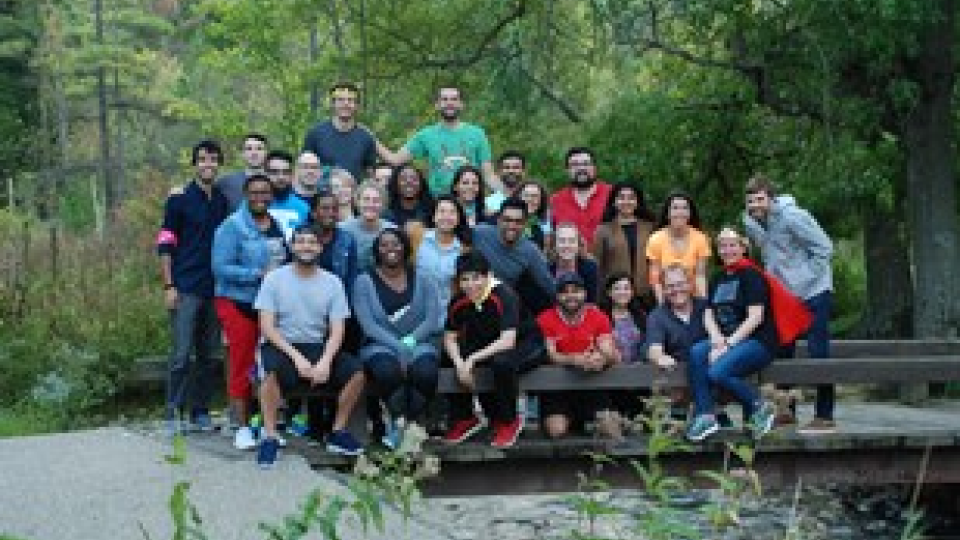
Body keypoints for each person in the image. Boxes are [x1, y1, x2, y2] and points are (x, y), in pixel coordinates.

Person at [254, 225, 367, 466]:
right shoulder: (274, 279)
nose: (306, 246)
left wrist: (325, 361)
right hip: (283, 344)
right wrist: (297, 358)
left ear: (320, 247)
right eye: (301, 241)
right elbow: (267, 327)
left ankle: (338, 431)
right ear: (292, 246)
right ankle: (271, 436)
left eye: (312, 242)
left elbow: (338, 329)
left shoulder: (332, 282)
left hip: (316, 344)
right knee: (269, 372)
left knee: (356, 372)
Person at [743, 174, 836, 433]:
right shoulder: (752, 222)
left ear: (771, 198)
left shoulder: (794, 217)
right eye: (751, 201)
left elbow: (825, 248)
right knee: (783, 349)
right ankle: (786, 409)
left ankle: (825, 414)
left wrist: (801, 281)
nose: (755, 205)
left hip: (813, 291)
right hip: (784, 296)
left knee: (818, 352)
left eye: (760, 199)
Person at [157, 139, 230, 434]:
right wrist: (168, 284)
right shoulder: (179, 200)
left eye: (213, 159)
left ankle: (200, 411)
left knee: (208, 354)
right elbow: (165, 243)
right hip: (185, 286)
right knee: (181, 353)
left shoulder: (221, 201)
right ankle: (172, 412)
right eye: (202, 159)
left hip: (214, 287)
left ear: (219, 164)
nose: (208, 164)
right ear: (194, 164)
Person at [211, 174, 288, 449]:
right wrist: (256, 273)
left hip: (268, 305)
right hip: (237, 301)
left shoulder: (275, 224)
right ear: (245, 194)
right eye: (254, 192)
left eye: (265, 192)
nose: (260, 197)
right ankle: (241, 426)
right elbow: (220, 267)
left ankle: (266, 423)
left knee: (268, 363)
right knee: (241, 362)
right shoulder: (232, 226)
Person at [442, 252, 544, 448]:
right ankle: (465, 418)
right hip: (490, 344)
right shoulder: (459, 301)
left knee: (502, 363)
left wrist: (471, 359)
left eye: (476, 278)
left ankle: (509, 421)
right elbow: (450, 337)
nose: (471, 285)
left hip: (526, 344)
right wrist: (459, 363)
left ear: (487, 275)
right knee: (446, 356)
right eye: (465, 279)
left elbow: (508, 341)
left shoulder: (504, 295)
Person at [685, 228, 777, 443]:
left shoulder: (752, 275)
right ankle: (706, 415)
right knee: (697, 352)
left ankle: (759, 406)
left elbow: (756, 317)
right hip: (726, 339)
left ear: (743, 248)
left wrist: (728, 345)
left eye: (732, 244)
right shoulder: (717, 277)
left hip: (757, 341)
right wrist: (717, 338)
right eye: (723, 246)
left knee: (718, 372)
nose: (727, 250)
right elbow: (708, 313)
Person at [353, 229, 443, 449]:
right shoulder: (364, 282)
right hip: (379, 345)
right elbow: (368, 325)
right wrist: (398, 347)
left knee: (425, 371)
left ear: (405, 247)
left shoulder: (424, 279)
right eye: (384, 245)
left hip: (419, 343)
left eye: (396, 244)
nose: (391, 249)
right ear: (377, 250)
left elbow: (431, 319)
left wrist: (409, 343)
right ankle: (397, 424)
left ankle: (414, 425)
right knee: (387, 370)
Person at [537, 272, 622, 440]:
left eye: (575, 291)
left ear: (584, 293)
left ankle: (589, 421)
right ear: (557, 296)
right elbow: (550, 354)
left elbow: (609, 350)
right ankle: (576, 421)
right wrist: (575, 359)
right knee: (556, 430)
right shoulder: (545, 318)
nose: (570, 296)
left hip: (592, 383)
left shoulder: (598, 316)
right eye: (565, 292)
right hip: (557, 387)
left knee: (611, 429)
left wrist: (601, 358)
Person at [377, 85, 499, 196]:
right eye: (444, 99)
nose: (449, 103)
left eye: (454, 99)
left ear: (461, 104)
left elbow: (489, 176)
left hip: (471, 207)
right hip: (438, 206)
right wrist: (369, 135)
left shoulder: (477, 134)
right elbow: (395, 160)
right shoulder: (425, 135)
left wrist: (507, 197)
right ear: (437, 105)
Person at [472, 197, 555, 314]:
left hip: (500, 306)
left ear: (525, 224)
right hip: (471, 299)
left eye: (518, 221)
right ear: (498, 220)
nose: (512, 226)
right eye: (507, 220)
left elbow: (548, 283)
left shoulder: (530, 251)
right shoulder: (479, 234)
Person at [593, 182, 656, 305]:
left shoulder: (650, 227)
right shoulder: (603, 229)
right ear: (614, 201)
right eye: (621, 197)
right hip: (615, 296)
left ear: (637, 201)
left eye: (631, 197)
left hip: (646, 296)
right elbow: (596, 265)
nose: (626, 201)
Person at [302, 82, 378, 182]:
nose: (346, 104)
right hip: (321, 195)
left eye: (351, 100)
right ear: (333, 104)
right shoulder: (315, 134)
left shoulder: (366, 138)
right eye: (340, 100)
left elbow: (370, 175)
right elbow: (303, 170)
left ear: (357, 106)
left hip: (353, 195)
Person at [646, 191, 711, 303]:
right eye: (675, 208)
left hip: (693, 298)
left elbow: (700, 275)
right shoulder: (655, 239)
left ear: (690, 213)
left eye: (684, 208)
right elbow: (655, 279)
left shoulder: (700, 238)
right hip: (667, 299)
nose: (680, 212)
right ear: (668, 213)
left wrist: (703, 302)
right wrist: (662, 305)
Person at [416, 196, 472, 325]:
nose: (446, 216)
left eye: (452, 212)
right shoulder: (417, 237)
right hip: (415, 313)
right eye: (441, 211)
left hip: (446, 316)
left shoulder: (464, 250)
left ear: (458, 219)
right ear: (434, 216)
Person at [549, 147, 612, 250]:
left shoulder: (614, 195)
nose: (581, 168)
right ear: (567, 170)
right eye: (575, 165)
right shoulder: (555, 201)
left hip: (609, 263)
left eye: (586, 164)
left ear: (595, 168)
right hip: (571, 263)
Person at [340, 180, 396, 272]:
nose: (371, 205)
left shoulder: (393, 231)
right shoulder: (342, 229)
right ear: (357, 202)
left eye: (376, 201)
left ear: (383, 205)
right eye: (366, 199)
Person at [309, 190, 359, 288]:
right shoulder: (302, 239)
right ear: (313, 213)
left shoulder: (347, 240)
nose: (331, 213)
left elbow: (351, 278)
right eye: (325, 208)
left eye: (335, 209)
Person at [383, 164, 433, 252]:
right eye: (403, 179)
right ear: (396, 183)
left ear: (421, 183)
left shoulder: (432, 211)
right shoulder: (386, 212)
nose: (409, 182)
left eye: (414, 178)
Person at [265, 150, 310, 239]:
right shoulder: (253, 206)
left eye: (285, 172)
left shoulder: (304, 207)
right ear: (265, 174)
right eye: (274, 172)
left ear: (292, 175)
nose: (281, 177)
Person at [550, 222, 599, 304]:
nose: (567, 245)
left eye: (571, 241)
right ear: (555, 245)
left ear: (578, 245)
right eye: (562, 241)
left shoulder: (590, 268)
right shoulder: (547, 269)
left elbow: (591, 303)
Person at [217, 133, 268, 211]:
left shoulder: (275, 183)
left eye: (259, 148)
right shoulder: (226, 183)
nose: (254, 153)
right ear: (242, 154)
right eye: (249, 149)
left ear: (266, 152)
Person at [485, 151, 527, 215]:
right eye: (507, 167)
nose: (511, 171)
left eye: (516, 167)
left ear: (523, 172)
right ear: (499, 172)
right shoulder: (489, 203)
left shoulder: (532, 199)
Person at [516, 180, 553, 251]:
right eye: (526, 195)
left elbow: (546, 251)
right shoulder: (507, 220)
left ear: (541, 200)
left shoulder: (545, 223)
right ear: (518, 197)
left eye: (535, 196)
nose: (530, 199)